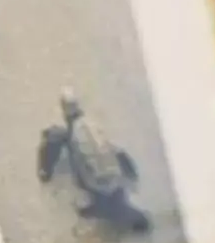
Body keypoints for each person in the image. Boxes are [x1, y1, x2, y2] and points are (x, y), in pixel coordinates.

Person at [37, 87, 149, 235]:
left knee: (96, 210)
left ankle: (101, 211)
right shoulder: (94, 125)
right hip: (110, 179)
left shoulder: (71, 132)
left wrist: (45, 171)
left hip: (99, 186)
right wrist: (131, 172)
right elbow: (118, 151)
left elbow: (54, 140)